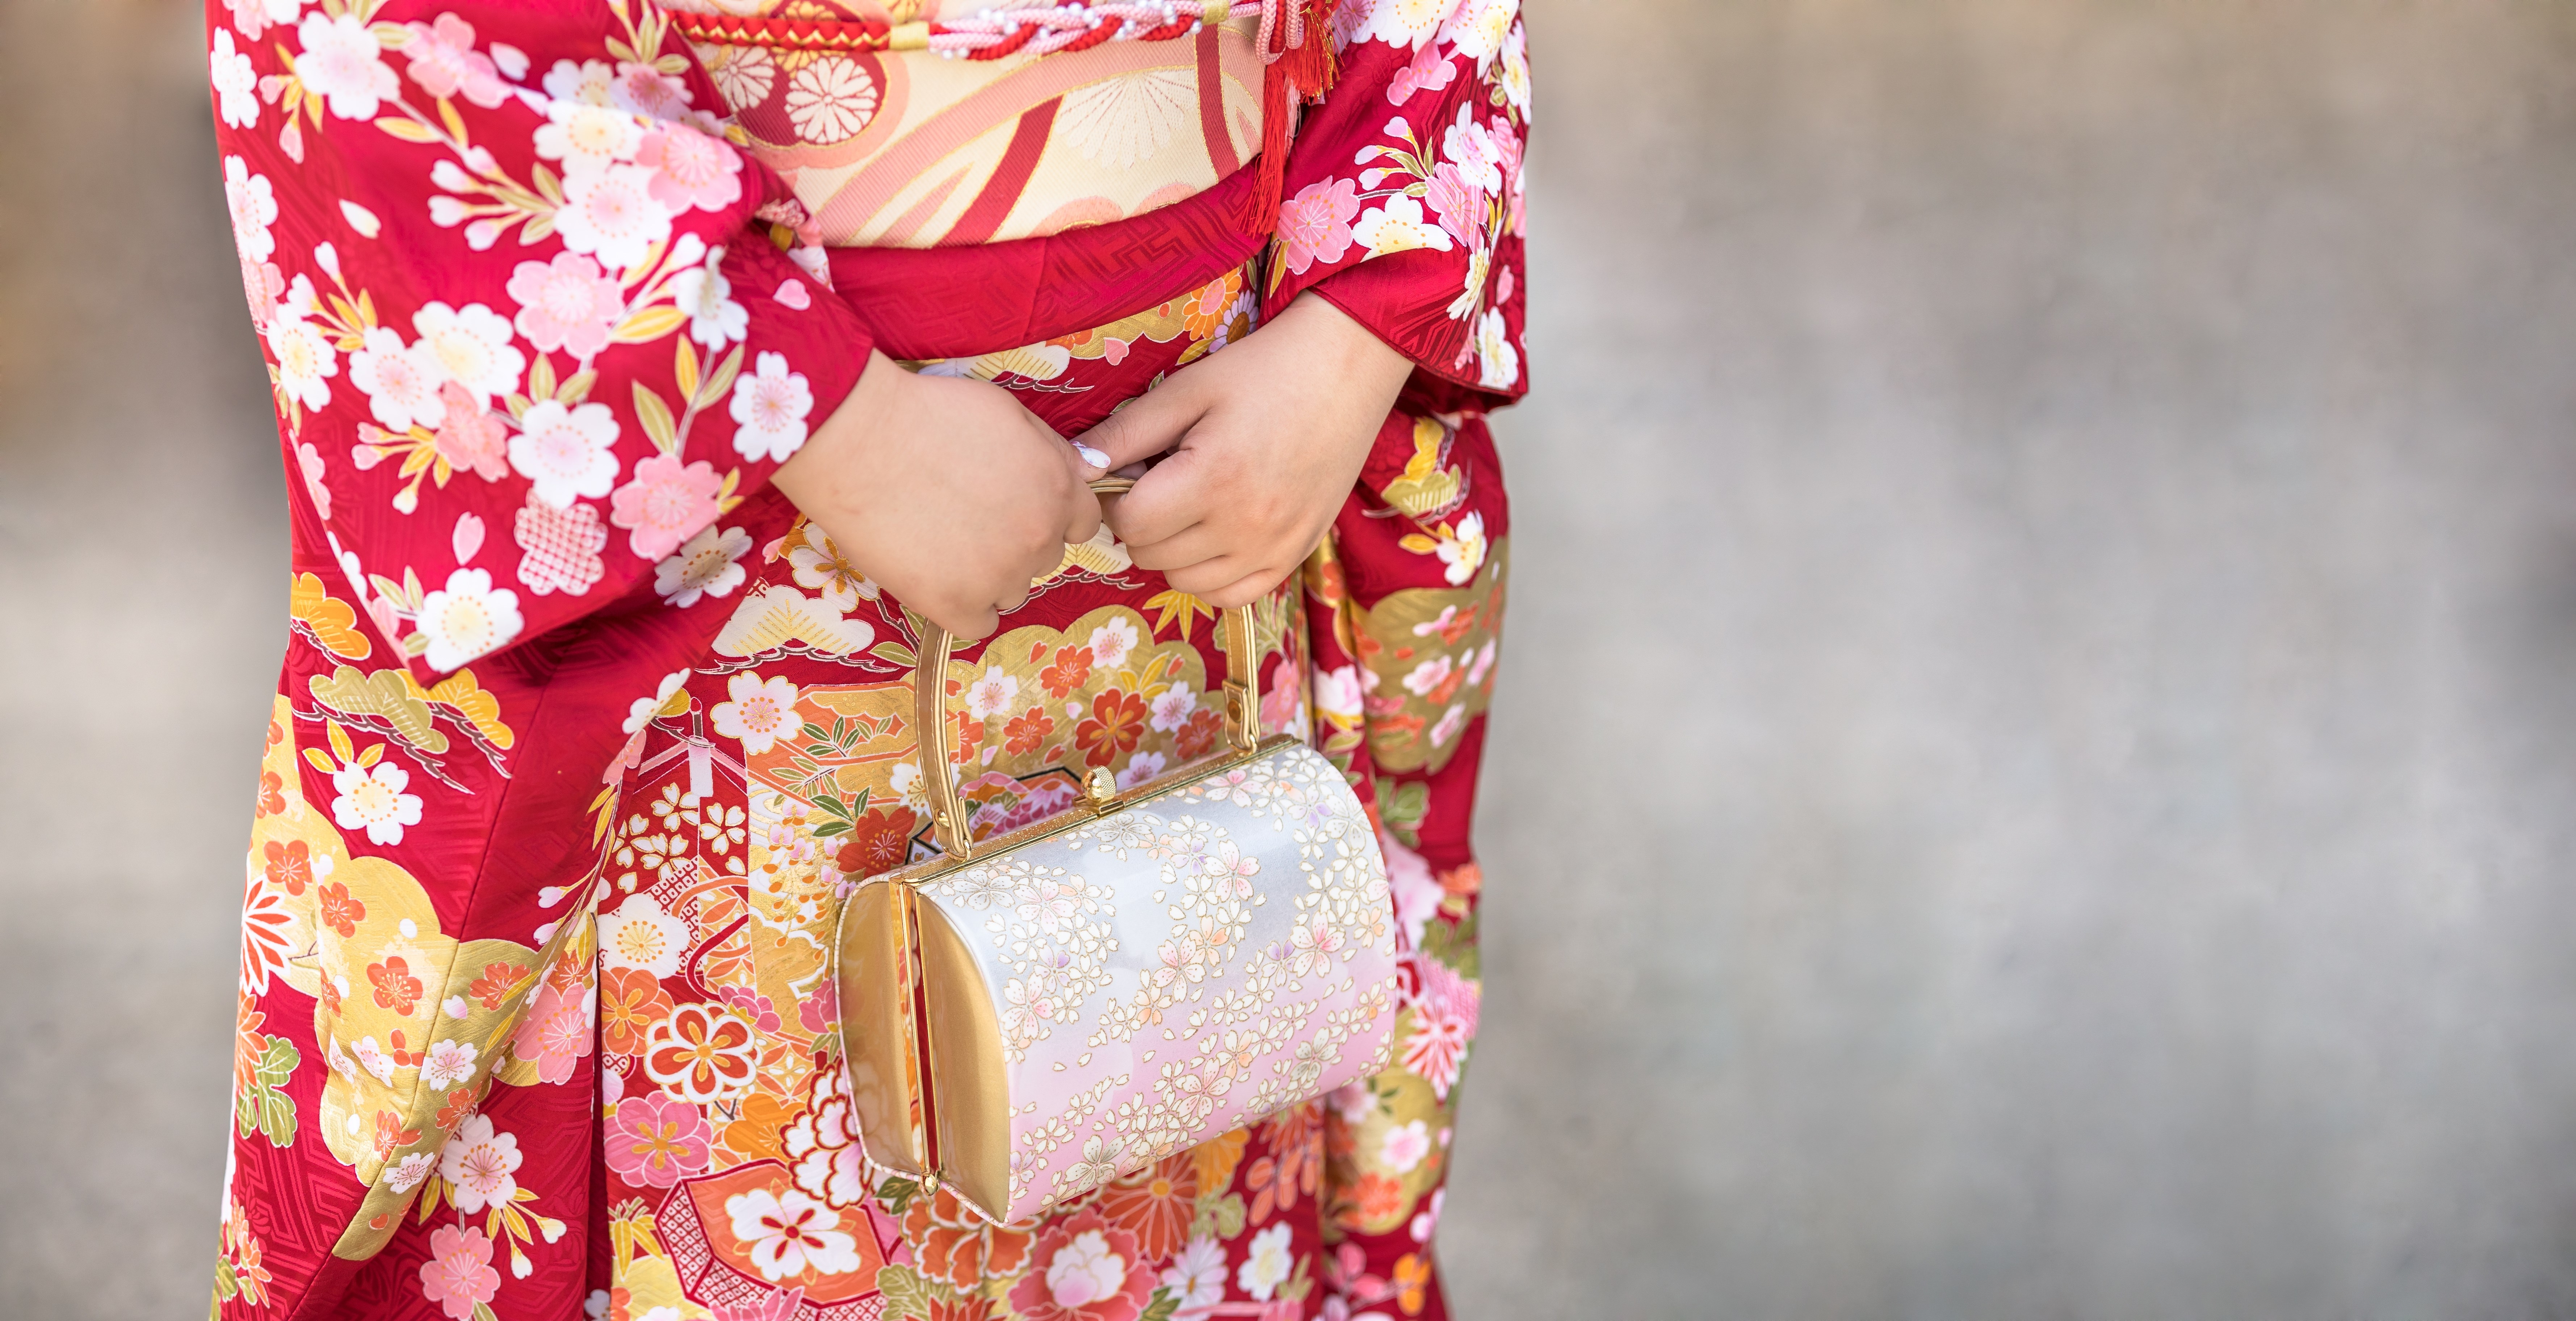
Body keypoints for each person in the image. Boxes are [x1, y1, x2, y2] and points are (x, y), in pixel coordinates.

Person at [207, 0, 1525, 1316]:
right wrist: (823, 410)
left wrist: (1347, 341)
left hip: (1214, 468)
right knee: (755, 1146)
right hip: (727, 519)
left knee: (1177, 1067)